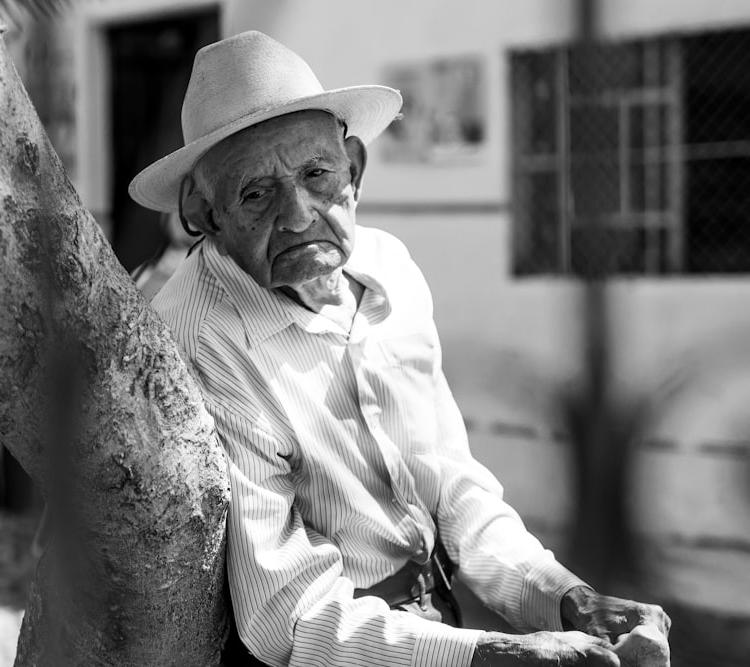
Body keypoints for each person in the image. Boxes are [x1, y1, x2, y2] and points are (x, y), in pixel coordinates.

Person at [129, 31, 670, 667]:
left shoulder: (391, 268)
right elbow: (289, 620)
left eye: (316, 174)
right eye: (255, 193)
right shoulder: (195, 344)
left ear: (353, 170)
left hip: (437, 621)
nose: (300, 214)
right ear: (203, 210)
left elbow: (453, 486)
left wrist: (568, 601)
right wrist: (497, 655)